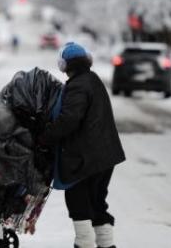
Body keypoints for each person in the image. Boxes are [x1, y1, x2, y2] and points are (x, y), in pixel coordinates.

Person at [38, 42, 126, 248]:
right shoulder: (92, 80)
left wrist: (45, 137)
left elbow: (70, 119)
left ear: (64, 64)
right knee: (96, 202)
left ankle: (84, 244)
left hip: (85, 159)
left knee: (79, 202)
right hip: (105, 157)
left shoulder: (78, 85)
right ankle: (106, 245)